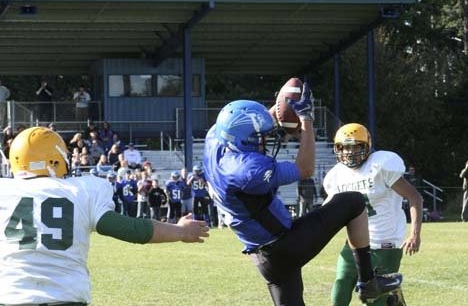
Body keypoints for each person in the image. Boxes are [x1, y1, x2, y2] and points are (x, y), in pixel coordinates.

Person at [203, 81, 402, 306]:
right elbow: (305, 169)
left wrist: (282, 106)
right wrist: (306, 118)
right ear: (246, 140)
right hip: (284, 246)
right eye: (260, 138)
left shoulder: (216, 141)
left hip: (264, 259)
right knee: (353, 202)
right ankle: (368, 282)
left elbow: (243, 125)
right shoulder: (248, 170)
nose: (265, 140)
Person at [0, 126, 209, 305]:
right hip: (64, 295)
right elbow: (132, 229)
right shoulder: (82, 189)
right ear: (55, 160)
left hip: (11, 295)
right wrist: (181, 231)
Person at [323, 123, 423, 306]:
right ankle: (393, 298)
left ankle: (392, 299)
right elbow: (326, 213)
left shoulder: (380, 166)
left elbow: (414, 197)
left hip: (385, 243)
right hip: (354, 244)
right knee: (340, 287)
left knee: (373, 300)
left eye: (355, 147)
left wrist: (414, 234)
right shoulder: (336, 175)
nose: (349, 152)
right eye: (344, 147)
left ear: (367, 146)